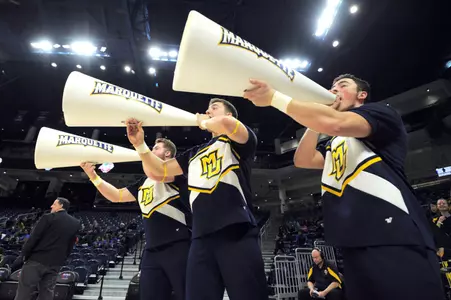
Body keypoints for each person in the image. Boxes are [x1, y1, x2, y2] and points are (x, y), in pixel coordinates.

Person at [243, 75, 444, 300]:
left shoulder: (379, 114)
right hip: (352, 240)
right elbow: (303, 159)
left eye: (343, 86)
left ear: (362, 94)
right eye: (332, 87)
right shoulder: (335, 142)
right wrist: (315, 121)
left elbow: (335, 123)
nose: (334, 90)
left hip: (393, 234)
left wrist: (274, 98)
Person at [125, 98, 268, 300]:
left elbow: (228, 125)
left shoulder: (237, 140)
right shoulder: (193, 153)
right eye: (207, 109)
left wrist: (202, 121)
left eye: (214, 108)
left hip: (236, 229)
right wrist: (140, 145)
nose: (208, 111)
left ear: (228, 115)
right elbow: (158, 171)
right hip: (200, 238)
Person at [81, 138, 191, 300]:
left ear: (168, 153)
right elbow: (116, 196)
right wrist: (93, 176)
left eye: (156, 148)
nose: (151, 151)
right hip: (151, 249)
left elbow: (157, 172)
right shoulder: (144, 183)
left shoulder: (176, 172)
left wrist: (140, 146)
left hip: (179, 245)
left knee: (187, 294)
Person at [14, 197, 80, 300]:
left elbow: (34, 237)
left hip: (37, 260)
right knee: (47, 292)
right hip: (56, 263)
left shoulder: (48, 218)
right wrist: (62, 260)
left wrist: (23, 255)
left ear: (61, 205)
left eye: (54, 204)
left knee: (25, 291)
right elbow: (70, 245)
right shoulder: (75, 223)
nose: (51, 206)